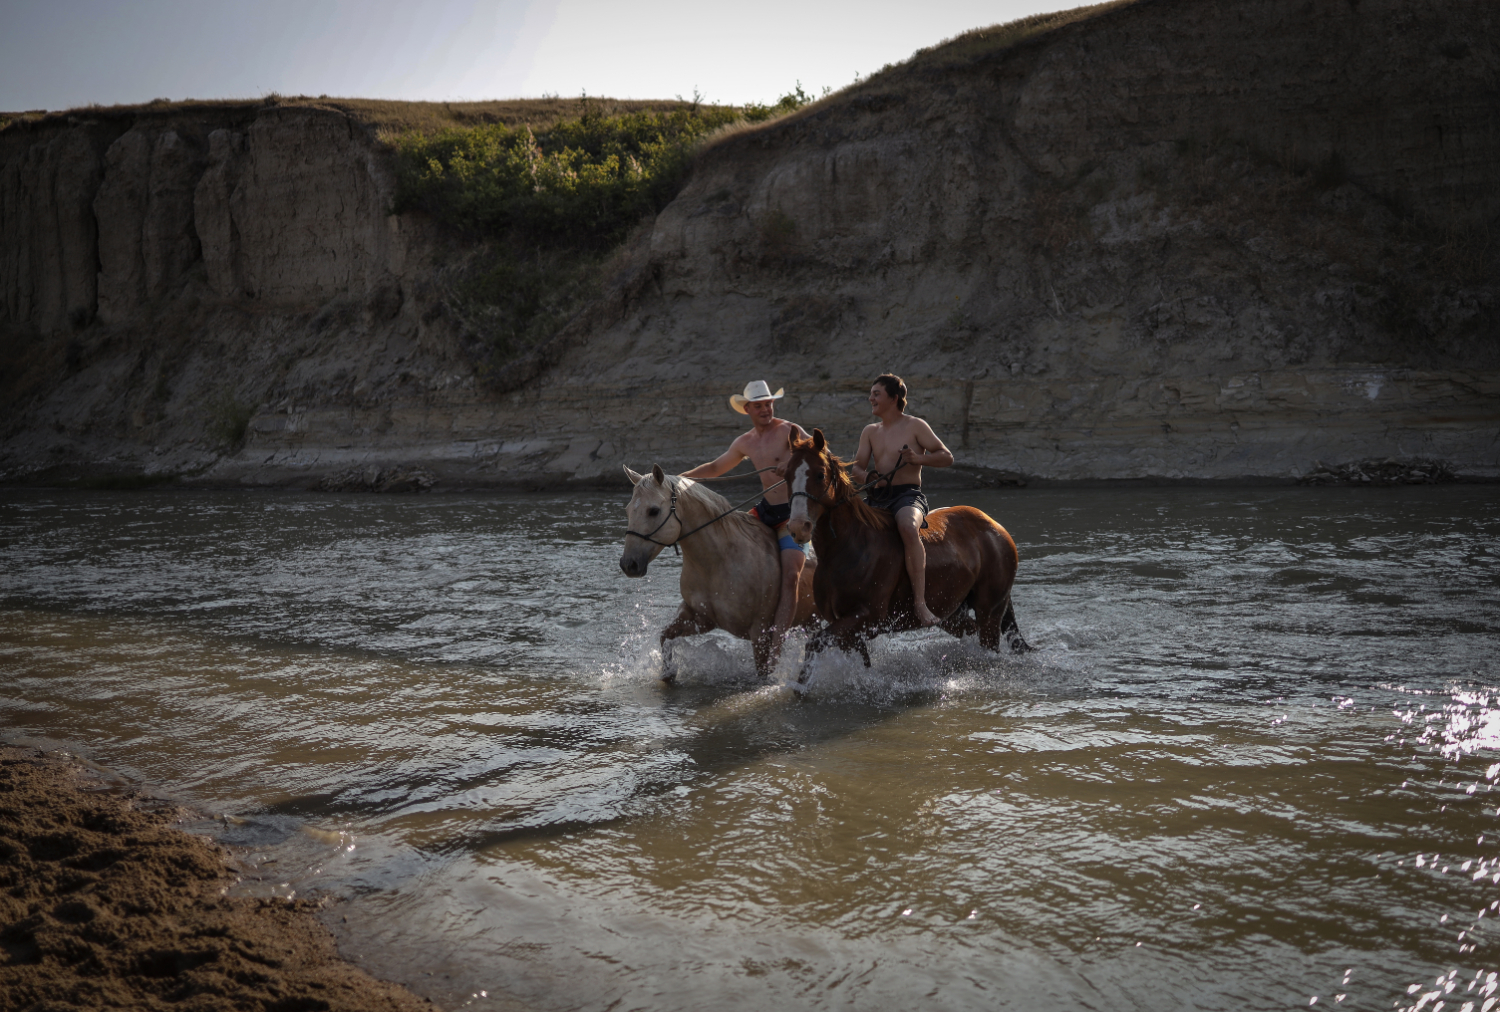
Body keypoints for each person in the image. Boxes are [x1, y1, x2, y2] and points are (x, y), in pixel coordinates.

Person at [682, 380, 810, 659]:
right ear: (747, 409)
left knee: (790, 575)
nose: (765, 409)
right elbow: (716, 467)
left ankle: (776, 645)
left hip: (794, 514)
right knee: (726, 544)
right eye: (759, 405)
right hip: (765, 512)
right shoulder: (745, 442)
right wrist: (679, 480)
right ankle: (725, 607)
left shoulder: (790, 430)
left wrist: (792, 462)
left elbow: (818, 455)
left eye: (769, 404)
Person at [850, 373, 954, 627]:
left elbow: (946, 456)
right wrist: (871, 478)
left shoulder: (915, 425)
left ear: (893, 398)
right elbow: (856, 469)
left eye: (876, 394)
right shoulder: (870, 431)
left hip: (907, 495)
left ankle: (920, 603)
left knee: (907, 526)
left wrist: (920, 459)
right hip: (877, 496)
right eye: (871, 393)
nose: (870, 398)